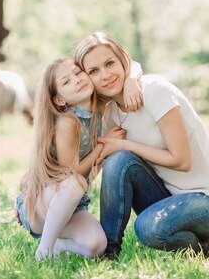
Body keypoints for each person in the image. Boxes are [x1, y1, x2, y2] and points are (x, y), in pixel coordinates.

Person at [73, 32, 209, 259]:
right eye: (94, 71)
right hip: (167, 196)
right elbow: (100, 168)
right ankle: (107, 254)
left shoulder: (155, 91)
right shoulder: (109, 114)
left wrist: (123, 144)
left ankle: (199, 251)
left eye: (110, 63)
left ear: (123, 61)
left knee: (148, 228)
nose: (105, 75)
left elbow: (182, 161)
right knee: (118, 160)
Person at [15, 57, 141, 260]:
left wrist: (132, 80)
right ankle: (44, 251)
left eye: (77, 72)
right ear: (60, 99)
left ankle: (57, 244)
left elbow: (130, 64)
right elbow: (70, 175)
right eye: (66, 82)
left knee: (97, 245)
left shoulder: (99, 108)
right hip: (42, 205)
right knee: (75, 183)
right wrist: (103, 145)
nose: (76, 80)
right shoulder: (68, 121)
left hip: (71, 207)